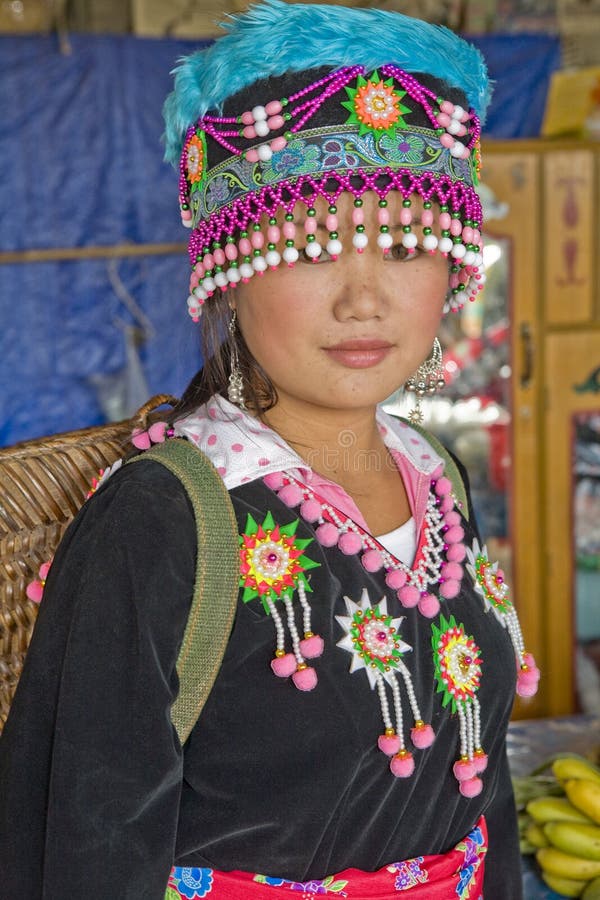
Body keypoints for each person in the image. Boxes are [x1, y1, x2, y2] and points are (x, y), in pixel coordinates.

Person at [0, 1, 540, 897]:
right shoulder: (163, 517)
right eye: (312, 244)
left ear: (453, 266)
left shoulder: (433, 477)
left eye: (405, 244)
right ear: (229, 267)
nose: (363, 298)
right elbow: (79, 853)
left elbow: (483, 791)